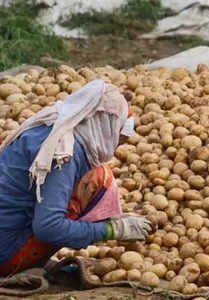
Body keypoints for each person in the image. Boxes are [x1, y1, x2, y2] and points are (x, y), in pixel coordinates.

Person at [0, 79, 152, 276]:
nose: (114, 148)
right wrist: (112, 230)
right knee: (99, 178)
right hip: (5, 255)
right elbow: (47, 228)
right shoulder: (64, 153)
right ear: (104, 125)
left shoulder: (50, 123)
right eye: (117, 139)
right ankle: (24, 262)